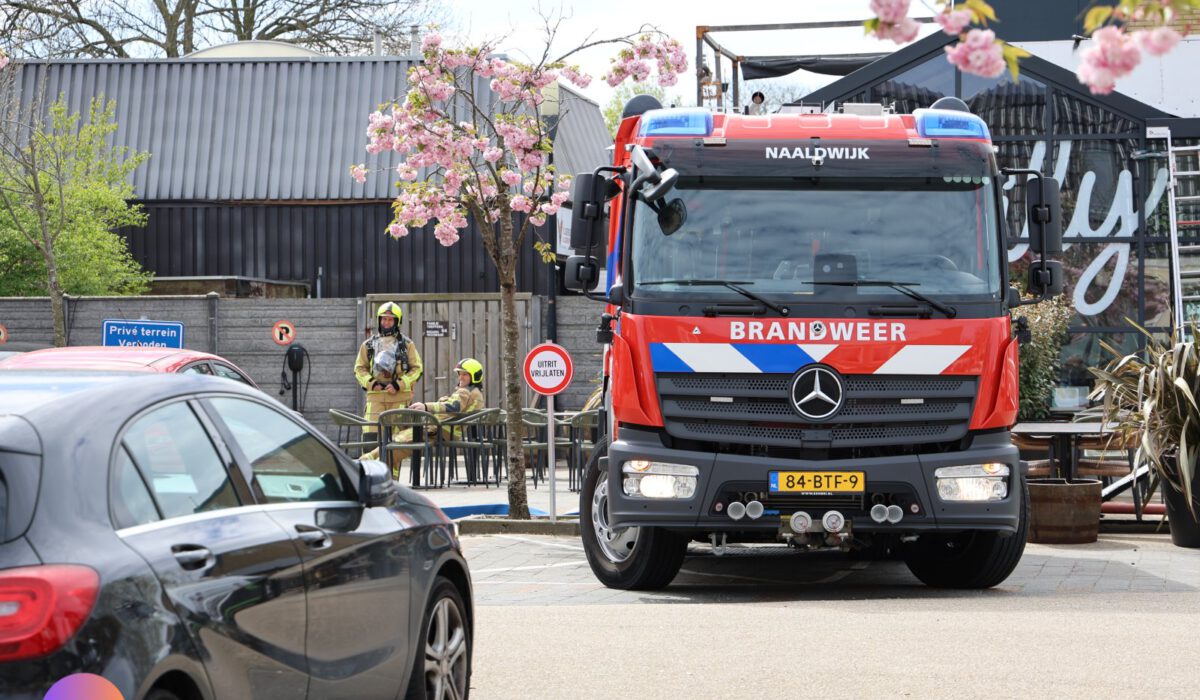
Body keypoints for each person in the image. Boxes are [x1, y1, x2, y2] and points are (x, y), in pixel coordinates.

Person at [356, 302, 422, 461]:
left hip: (399, 399)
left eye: (390, 319)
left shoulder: (407, 345)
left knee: (395, 443)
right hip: (375, 399)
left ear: (397, 321)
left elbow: (417, 369)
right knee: (371, 439)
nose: (386, 322)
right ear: (379, 320)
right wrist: (372, 383)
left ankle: (391, 477)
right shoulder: (368, 345)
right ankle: (371, 474)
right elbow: (359, 369)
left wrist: (399, 384)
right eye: (383, 319)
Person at [411, 358, 486, 439]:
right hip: (447, 431)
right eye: (459, 374)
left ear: (475, 376)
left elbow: (453, 406)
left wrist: (425, 406)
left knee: (403, 439)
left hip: (440, 430)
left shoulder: (465, 392)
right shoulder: (476, 393)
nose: (460, 377)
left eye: (464, 374)